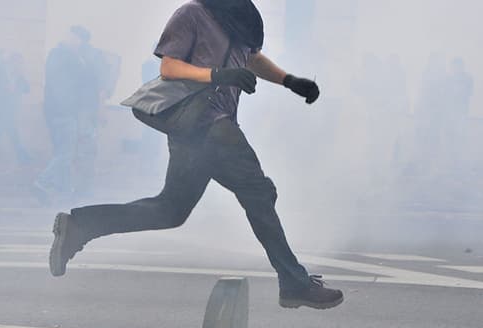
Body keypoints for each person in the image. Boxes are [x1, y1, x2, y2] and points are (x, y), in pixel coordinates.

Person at [48, 0, 344, 310]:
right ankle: (294, 283)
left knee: (170, 211)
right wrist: (217, 75)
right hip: (206, 122)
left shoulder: (240, 16)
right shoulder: (192, 13)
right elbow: (169, 67)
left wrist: (289, 80)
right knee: (258, 192)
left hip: (206, 130)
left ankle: (81, 225)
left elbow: (250, 56)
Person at [35, 26, 101, 204]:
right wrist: (70, 108)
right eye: (78, 39)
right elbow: (65, 86)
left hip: (61, 111)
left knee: (63, 151)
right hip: (64, 112)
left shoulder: (65, 56)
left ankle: (64, 188)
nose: (79, 43)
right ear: (72, 38)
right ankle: (43, 181)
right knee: (66, 152)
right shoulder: (63, 56)